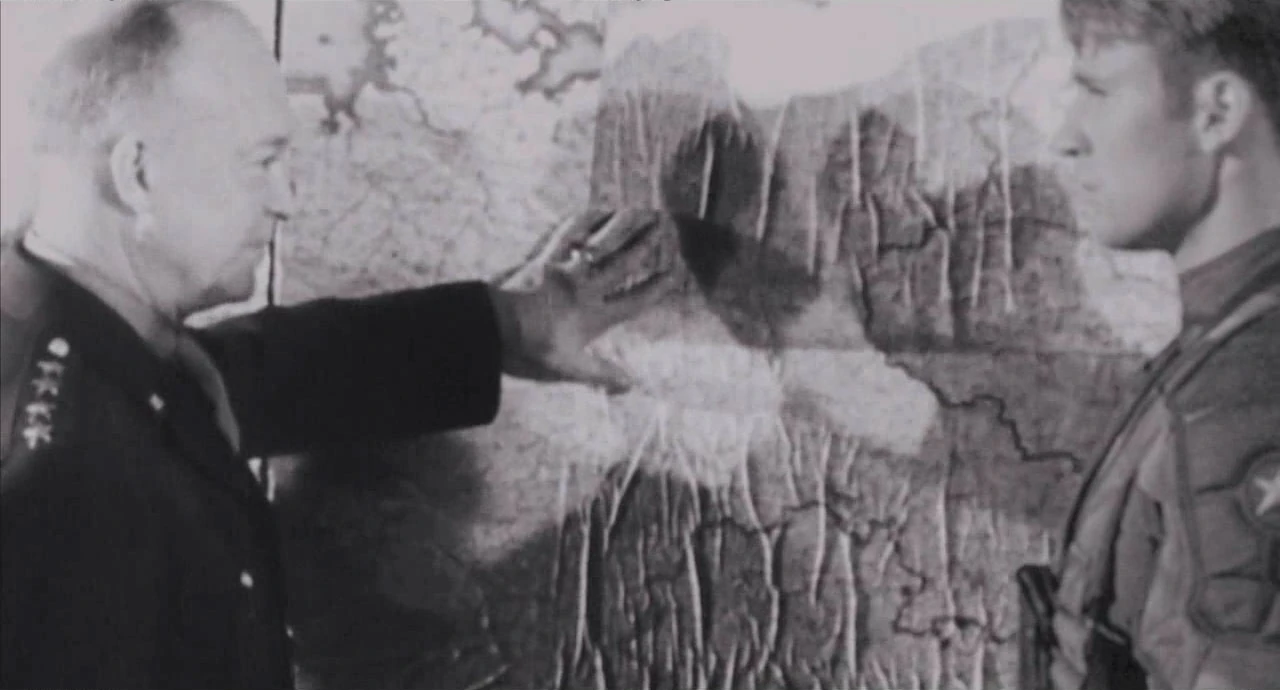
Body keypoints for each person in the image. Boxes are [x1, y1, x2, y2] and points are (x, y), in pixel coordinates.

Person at [0, 1, 677, 687]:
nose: (286, 199)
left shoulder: (74, 335)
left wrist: (506, 324)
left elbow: (240, 378)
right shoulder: (64, 482)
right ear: (137, 174)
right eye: (261, 161)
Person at [1018, 0, 1280, 688]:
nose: (1068, 136)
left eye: (1099, 90)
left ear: (1216, 113)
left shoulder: (1244, 395)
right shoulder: (1221, 349)